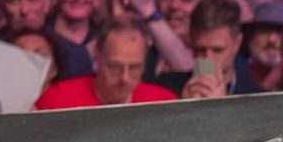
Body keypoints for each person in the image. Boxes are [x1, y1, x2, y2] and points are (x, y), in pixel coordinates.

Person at [35, 22, 180, 110]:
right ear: (97, 57)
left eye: (134, 67)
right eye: (114, 67)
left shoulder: (163, 103)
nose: (125, 78)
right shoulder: (57, 100)